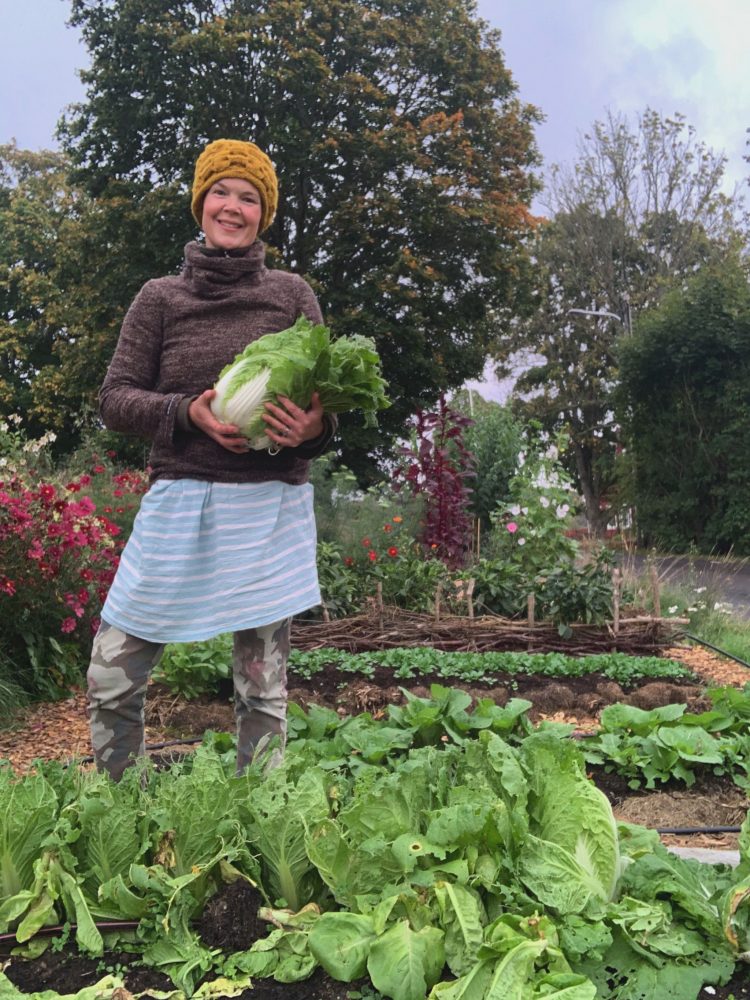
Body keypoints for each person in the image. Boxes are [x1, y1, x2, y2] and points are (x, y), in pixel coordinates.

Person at [86, 138, 336, 780]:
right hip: (181, 503)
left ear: (264, 214)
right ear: (201, 203)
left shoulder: (291, 295)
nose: (233, 206)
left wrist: (310, 428)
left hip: (268, 510)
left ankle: (260, 825)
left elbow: (324, 411)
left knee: (262, 691)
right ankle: (124, 809)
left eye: (248, 198)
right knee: (112, 674)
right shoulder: (160, 298)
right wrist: (185, 414)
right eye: (220, 192)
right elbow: (114, 399)